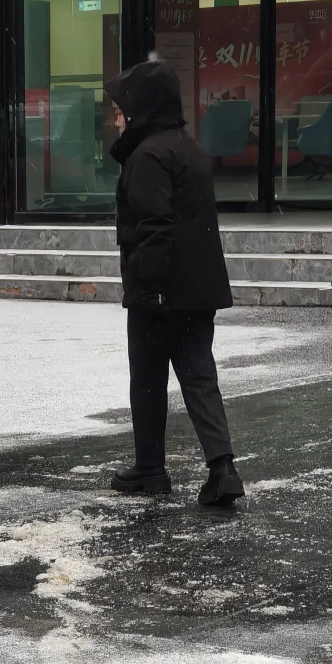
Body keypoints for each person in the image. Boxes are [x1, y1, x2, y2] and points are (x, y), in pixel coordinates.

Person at [104, 56, 244, 506]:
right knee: (200, 376)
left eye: (120, 109)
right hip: (199, 289)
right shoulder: (189, 148)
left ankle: (150, 468)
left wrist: (148, 286)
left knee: (147, 377)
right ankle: (222, 469)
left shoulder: (147, 156)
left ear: (141, 109)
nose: (116, 118)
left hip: (160, 289)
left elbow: (154, 226)